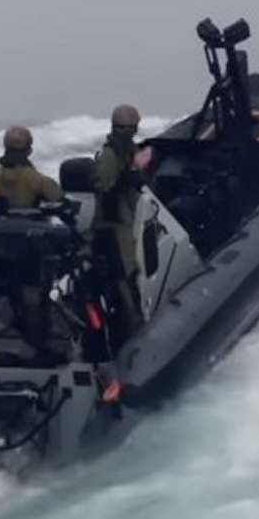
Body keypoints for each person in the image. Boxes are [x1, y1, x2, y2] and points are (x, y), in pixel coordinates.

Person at [92, 104, 150, 343]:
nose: (128, 132)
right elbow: (104, 187)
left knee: (130, 269)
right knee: (125, 273)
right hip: (115, 222)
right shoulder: (110, 156)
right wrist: (126, 179)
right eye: (124, 128)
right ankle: (132, 326)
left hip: (129, 216)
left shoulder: (129, 152)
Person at [0, 125, 63, 211]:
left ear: (5, 147)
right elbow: (58, 198)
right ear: (29, 150)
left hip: (0, 222)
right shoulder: (39, 180)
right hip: (31, 223)